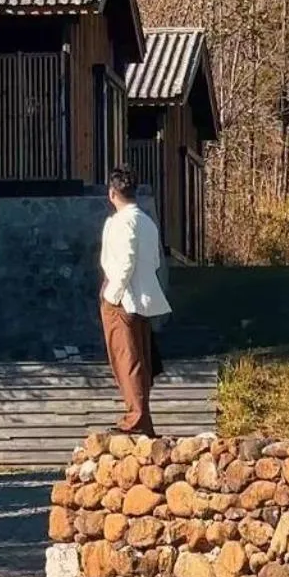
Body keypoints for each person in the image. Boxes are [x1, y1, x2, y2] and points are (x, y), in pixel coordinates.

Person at [99, 165, 171, 434]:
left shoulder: (121, 222)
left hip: (123, 297)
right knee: (140, 357)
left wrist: (112, 293)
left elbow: (126, 260)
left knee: (126, 357)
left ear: (112, 193)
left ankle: (136, 417)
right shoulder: (147, 221)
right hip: (142, 296)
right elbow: (153, 261)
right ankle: (143, 418)